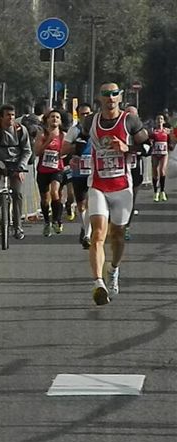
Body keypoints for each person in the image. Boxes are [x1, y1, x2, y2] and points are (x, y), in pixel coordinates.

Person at [80, 83, 148, 306]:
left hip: (122, 186)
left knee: (117, 235)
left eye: (114, 94)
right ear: (99, 98)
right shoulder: (90, 121)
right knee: (98, 234)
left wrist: (127, 148)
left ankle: (114, 269)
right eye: (106, 94)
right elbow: (73, 140)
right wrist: (68, 155)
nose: (110, 97)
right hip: (98, 185)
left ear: (120, 97)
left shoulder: (130, 120)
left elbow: (148, 146)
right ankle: (98, 283)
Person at [0, 104, 33, 240]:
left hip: (16, 163)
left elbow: (27, 150)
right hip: (0, 160)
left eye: (13, 115)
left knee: (17, 193)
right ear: (1, 117)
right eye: (8, 115)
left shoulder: (21, 130)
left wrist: (21, 166)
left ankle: (18, 226)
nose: (11, 118)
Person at [62, 102, 93, 249]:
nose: (85, 116)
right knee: (81, 205)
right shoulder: (74, 130)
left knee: (91, 203)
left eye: (88, 113)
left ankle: (87, 234)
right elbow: (64, 149)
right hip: (79, 171)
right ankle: (84, 226)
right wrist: (77, 147)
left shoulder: (97, 129)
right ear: (78, 115)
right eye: (82, 114)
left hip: (94, 171)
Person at [34, 110, 65, 236]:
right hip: (43, 170)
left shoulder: (63, 135)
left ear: (60, 121)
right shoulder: (42, 134)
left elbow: (67, 151)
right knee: (45, 200)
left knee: (55, 192)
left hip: (57, 169)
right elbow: (37, 152)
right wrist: (48, 141)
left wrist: (64, 155)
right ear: (47, 120)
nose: (55, 119)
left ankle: (57, 220)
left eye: (57, 117)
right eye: (52, 117)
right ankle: (47, 221)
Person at [123, 105, 150, 240]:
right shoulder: (118, 128)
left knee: (130, 199)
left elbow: (148, 149)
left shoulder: (141, 132)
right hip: (118, 170)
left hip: (135, 169)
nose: (130, 119)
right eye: (128, 116)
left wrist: (130, 148)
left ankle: (126, 226)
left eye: (133, 116)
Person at [149, 113, 171, 201]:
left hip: (164, 153)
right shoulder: (153, 131)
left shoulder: (167, 131)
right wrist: (150, 141)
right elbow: (149, 140)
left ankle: (162, 191)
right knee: (155, 172)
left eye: (161, 119)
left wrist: (171, 145)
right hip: (155, 153)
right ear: (155, 121)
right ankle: (155, 192)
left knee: (162, 171)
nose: (159, 121)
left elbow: (171, 141)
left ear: (164, 121)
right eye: (158, 119)